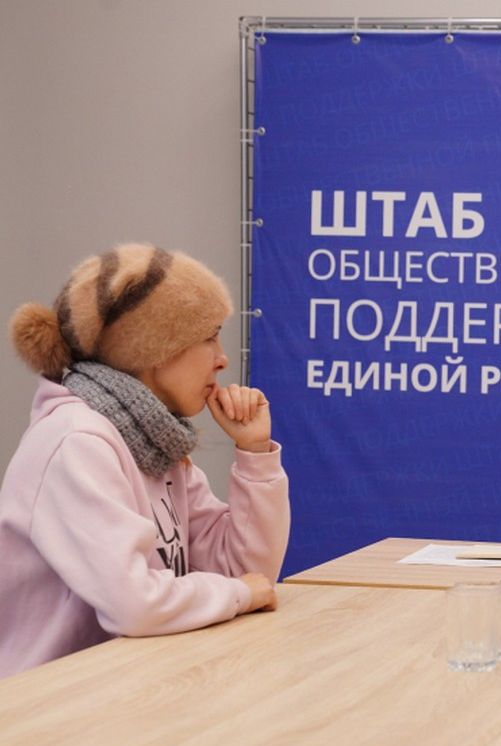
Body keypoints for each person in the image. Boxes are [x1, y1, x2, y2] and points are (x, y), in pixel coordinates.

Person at [0, 243, 290, 679]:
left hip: (124, 687)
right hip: (50, 704)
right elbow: (134, 604)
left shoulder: (153, 441)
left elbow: (249, 574)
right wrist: (237, 594)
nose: (222, 359)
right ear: (156, 349)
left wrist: (254, 452)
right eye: (209, 336)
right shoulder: (77, 442)